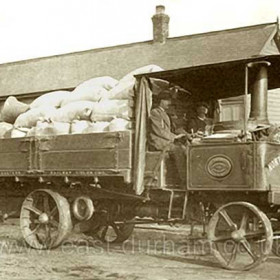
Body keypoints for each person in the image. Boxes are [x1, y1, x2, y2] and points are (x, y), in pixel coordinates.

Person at [148, 90, 188, 185]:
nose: (169, 103)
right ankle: (184, 180)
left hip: (164, 140)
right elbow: (159, 131)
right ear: (161, 101)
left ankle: (182, 177)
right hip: (158, 141)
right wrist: (174, 137)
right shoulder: (155, 112)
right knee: (179, 149)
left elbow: (170, 129)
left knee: (186, 146)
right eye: (167, 100)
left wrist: (183, 135)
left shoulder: (164, 113)